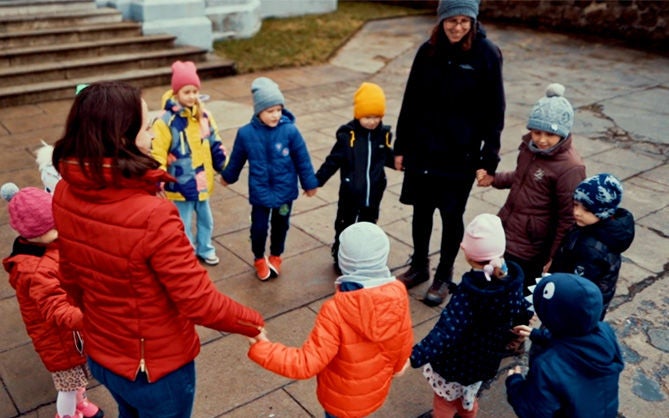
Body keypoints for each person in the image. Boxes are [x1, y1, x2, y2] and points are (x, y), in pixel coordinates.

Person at [50, 81, 265, 418]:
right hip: (153, 369)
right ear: (121, 137)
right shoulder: (153, 214)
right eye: (146, 127)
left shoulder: (64, 191)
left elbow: (70, 278)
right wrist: (252, 322)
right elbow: (200, 302)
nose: (152, 135)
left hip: (103, 356)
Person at [394, 0, 506, 306]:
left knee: (451, 215)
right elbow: (411, 102)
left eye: (464, 21)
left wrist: (489, 160)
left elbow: (495, 113)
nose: (457, 27)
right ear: (440, 21)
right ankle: (419, 266)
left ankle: (444, 274)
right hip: (423, 149)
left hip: (459, 154)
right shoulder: (427, 52)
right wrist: (401, 147)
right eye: (450, 21)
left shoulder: (487, 54)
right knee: (421, 210)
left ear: (473, 21)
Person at [247, 222, 414, 418]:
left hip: (340, 400)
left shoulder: (336, 310)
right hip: (373, 392)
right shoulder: (398, 293)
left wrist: (262, 347)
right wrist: (398, 365)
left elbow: (305, 364)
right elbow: (404, 339)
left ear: (344, 262)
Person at [410, 213, 534, 418]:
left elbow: (446, 332)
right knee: (468, 399)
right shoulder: (512, 282)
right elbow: (519, 308)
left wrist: (415, 355)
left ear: (466, 253)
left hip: (456, 363)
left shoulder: (469, 294)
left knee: (444, 402)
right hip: (484, 361)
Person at [1, 183, 103, 418]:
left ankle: (82, 404)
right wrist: (91, 318)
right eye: (55, 225)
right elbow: (55, 308)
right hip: (58, 339)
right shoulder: (35, 271)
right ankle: (66, 414)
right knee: (67, 386)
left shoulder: (47, 247)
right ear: (35, 233)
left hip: (71, 333)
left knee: (78, 377)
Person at [477, 83, 586, 295]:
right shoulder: (530, 149)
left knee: (519, 290)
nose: (542, 140)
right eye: (536, 132)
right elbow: (521, 177)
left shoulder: (570, 168)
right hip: (508, 228)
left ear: (563, 134)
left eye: (550, 135)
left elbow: (568, 218)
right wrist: (494, 179)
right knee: (499, 282)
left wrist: (555, 256)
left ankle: (514, 326)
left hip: (532, 245)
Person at [220, 76, 319, 281]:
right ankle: (258, 257)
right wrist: (228, 176)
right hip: (260, 191)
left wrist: (309, 183)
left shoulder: (290, 131)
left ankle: (276, 255)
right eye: (269, 111)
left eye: (278, 110)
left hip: (284, 192)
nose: (275, 115)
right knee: (258, 227)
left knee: (281, 225)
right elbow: (237, 158)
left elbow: (302, 158)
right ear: (258, 111)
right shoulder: (246, 134)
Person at [506, 273, 624, 418]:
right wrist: (537, 334)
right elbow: (573, 343)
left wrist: (515, 383)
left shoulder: (547, 365)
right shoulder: (604, 332)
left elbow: (532, 412)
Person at [151, 60, 227, 266]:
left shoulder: (204, 116)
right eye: (187, 92)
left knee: (206, 219)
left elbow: (215, 141)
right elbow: (157, 151)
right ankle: (187, 251)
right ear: (176, 93)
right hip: (179, 183)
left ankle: (205, 247)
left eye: (195, 91)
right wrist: (158, 177)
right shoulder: (166, 121)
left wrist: (223, 165)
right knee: (182, 223)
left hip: (202, 180)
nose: (192, 96)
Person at [315, 81, 395, 274]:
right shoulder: (347, 136)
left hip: (373, 191)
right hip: (351, 191)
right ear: (358, 114)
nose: (372, 121)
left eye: (377, 117)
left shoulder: (382, 135)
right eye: (368, 117)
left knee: (368, 225)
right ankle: (340, 250)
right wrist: (316, 180)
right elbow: (333, 161)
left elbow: (389, 158)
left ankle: (363, 255)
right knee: (345, 222)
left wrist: (405, 162)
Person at [550, 173, 635, 319]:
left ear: (604, 212)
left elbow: (578, 289)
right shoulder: (590, 226)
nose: (577, 213)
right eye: (576, 205)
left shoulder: (592, 248)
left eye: (587, 209)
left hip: (573, 311)